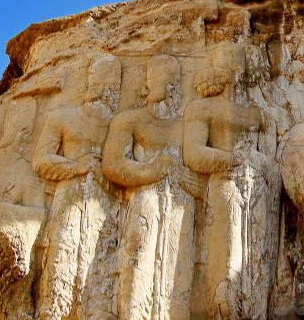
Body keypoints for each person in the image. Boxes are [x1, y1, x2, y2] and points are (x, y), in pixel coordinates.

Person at [183, 42, 275, 319]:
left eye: (238, 64)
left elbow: (269, 157)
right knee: (227, 257)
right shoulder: (201, 108)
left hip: (257, 186)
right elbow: (193, 153)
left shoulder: (258, 113)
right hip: (224, 183)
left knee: (258, 257)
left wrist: (255, 162)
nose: (234, 70)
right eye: (227, 63)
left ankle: (257, 312)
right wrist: (232, 158)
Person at [102, 54, 196, 320]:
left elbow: (196, 170)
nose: (172, 88)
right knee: (139, 257)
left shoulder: (185, 123)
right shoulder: (129, 120)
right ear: (149, 81)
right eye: (165, 80)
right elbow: (112, 164)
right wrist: (153, 170)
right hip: (145, 199)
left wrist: (183, 177)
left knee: (179, 268)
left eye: (175, 81)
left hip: (180, 204)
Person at [32, 54, 121, 319]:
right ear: (91, 81)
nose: (111, 87)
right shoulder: (62, 117)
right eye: (106, 79)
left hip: (108, 207)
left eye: (116, 80)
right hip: (69, 199)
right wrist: (74, 166)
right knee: (62, 265)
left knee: (99, 276)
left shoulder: (117, 124)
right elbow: (40, 160)